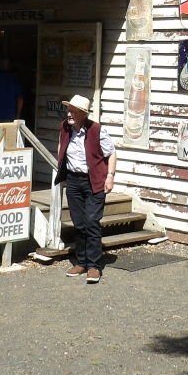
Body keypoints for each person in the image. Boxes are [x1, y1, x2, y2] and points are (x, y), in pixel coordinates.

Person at [54, 93, 116, 284]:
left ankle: (94, 266)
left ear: (83, 113)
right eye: (68, 110)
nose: (69, 114)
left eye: (73, 111)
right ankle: (81, 262)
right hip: (74, 180)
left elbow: (111, 153)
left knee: (91, 221)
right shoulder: (65, 127)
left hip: (94, 180)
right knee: (79, 222)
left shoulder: (97, 130)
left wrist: (110, 177)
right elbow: (61, 145)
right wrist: (62, 167)